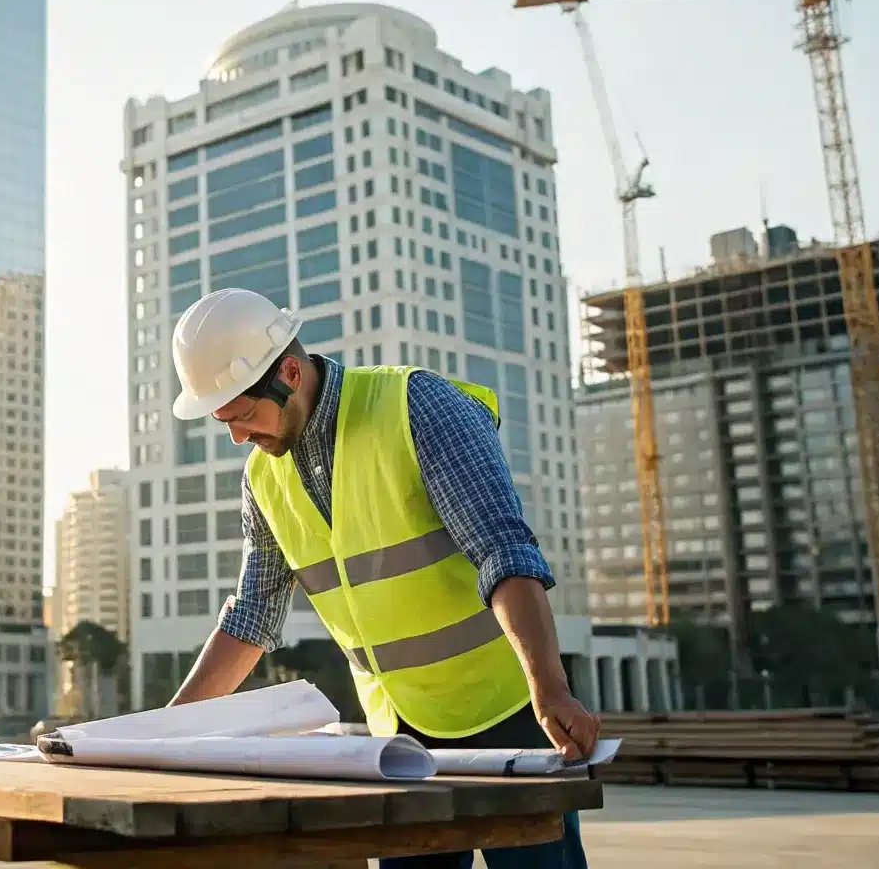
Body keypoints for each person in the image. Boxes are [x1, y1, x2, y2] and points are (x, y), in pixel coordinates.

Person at [165, 288, 597, 869]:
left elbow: (504, 552)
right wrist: (164, 733)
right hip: (398, 738)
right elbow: (252, 616)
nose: (238, 436)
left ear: (289, 372)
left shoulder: (416, 407)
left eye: (243, 414)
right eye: (224, 421)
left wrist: (550, 688)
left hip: (507, 716)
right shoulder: (262, 480)